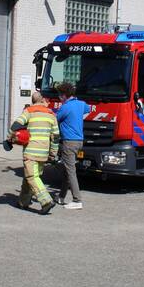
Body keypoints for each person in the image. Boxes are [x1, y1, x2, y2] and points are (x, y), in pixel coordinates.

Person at [7, 90, 60, 214]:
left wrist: (9, 138)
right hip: (43, 153)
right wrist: (53, 153)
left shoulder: (29, 111)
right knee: (29, 176)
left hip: (31, 152)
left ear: (32, 101)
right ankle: (23, 201)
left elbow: (15, 126)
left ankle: (46, 201)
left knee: (32, 177)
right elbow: (56, 136)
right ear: (42, 100)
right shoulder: (51, 114)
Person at [55, 82, 88, 210]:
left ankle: (77, 200)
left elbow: (55, 119)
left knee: (70, 172)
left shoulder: (65, 107)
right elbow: (88, 109)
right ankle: (61, 196)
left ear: (63, 95)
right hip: (79, 141)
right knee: (66, 171)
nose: (59, 98)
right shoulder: (80, 104)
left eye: (59, 95)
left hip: (69, 142)